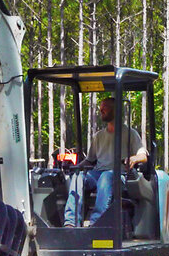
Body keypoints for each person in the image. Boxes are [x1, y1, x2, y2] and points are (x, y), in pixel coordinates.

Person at [63, 96, 148, 227]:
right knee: (78, 177)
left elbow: (143, 155)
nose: (101, 110)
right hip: (97, 174)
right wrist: (76, 168)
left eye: (105, 108)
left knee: (106, 176)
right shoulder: (98, 136)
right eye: (101, 108)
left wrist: (134, 158)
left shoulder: (130, 133)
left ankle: (96, 223)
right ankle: (71, 222)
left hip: (119, 175)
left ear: (116, 110)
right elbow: (89, 160)